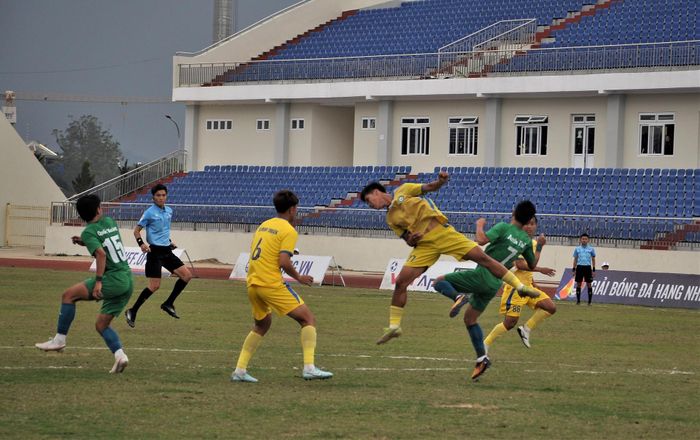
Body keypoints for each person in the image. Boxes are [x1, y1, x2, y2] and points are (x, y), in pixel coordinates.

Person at [360, 172, 540, 345]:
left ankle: (520, 287)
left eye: (369, 200)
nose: (370, 205)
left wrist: (440, 181)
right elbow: (407, 239)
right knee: (401, 282)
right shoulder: (390, 219)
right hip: (424, 245)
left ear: (376, 192)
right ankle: (394, 326)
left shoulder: (403, 190)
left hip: (442, 232)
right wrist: (412, 239)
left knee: (483, 258)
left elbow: (429, 187)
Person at [432, 201, 543, 380]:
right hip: (495, 284)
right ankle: (482, 359)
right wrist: (540, 247)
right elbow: (532, 265)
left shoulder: (503, 227)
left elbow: (481, 240)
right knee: (470, 319)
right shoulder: (525, 241)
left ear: (514, 212)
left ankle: (458, 297)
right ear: (528, 219)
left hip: (483, 274)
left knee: (438, 282)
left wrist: (480, 225)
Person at [231, 190, 333, 383]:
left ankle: (240, 370)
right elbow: (284, 261)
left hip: (253, 282)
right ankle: (309, 368)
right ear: (293, 209)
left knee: (262, 325)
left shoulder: (264, 225)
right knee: (308, 319)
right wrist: (299, 277)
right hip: (270, 283)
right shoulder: (288, 230)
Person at [35, 194, 133, 373]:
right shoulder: (109, 221)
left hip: (112, 279)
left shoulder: (88, 232)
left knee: (68, 296)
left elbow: (101, 254)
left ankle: (59, 339)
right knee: (101, 325)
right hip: (127, 279)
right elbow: (105, 241)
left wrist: (98, 282)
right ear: (98, 209)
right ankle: (120, 356)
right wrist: (85, 242)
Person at [483, 216, 557, 353]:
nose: (529, 226)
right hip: (516, 289)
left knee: (550, 307)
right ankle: (485, 344)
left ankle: (526, 329)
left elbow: (527, 268)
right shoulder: (517, 242)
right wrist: (541, 265)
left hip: (529, 288)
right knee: (510, 323)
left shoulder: (532, 243)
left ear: (536, 226)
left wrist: (534, 283)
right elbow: (520, 264)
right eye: (526, 223)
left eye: (532, 224)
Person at [124, 183, 192, 327]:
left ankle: (168, 303)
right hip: (154, 252)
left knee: (187, 276)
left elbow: (163, 230)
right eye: (158, 195)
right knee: (154, 286)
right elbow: (136, 231)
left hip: (167, 251)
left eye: (163, 195)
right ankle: (132, 310)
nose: (161, 198)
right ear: (153, 197)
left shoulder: (169, 211)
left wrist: (169, 242)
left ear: (166, 196)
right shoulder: (149, 213)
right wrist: (141, 244)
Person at [573, 233, 596, 305]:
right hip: (579, 267)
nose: (584, 240)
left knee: (589, 284)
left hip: (587, 267)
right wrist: (574, 269)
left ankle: (589, 302)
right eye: (583, 239)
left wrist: (593, 269)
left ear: (588, 240)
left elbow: (593, 259)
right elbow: (575, 259)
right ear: (580, 240)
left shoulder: (591, 249)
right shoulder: (577, 249)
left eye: (586, 239)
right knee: (578, 284)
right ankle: (578, 301)